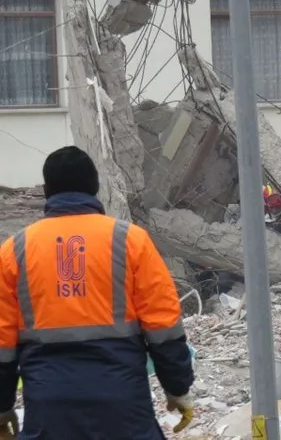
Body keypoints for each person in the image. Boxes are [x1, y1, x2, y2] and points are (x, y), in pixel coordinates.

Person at [0, 146, 194, 439]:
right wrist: (177, 387)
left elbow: (2, 342)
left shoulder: (14, 251)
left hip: (49, 404)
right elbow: (163, 324)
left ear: (47, 190)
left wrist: (2, 408)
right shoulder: (130, 241)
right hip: (123, 402)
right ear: (94, 186)